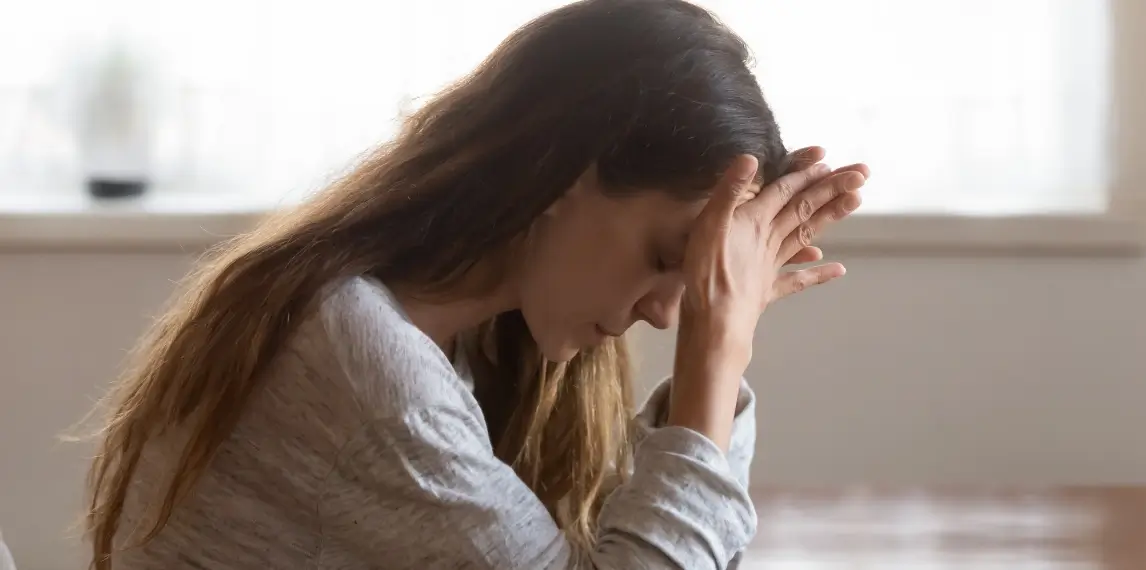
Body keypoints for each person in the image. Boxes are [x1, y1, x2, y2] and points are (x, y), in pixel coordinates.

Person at [80, 0, 868, 568]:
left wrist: (717, 364)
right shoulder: (371, 372)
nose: (670, 314)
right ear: (563, 172)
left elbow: (644, 543)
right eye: (669, 256)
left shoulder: (473, 341)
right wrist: (716, 354)